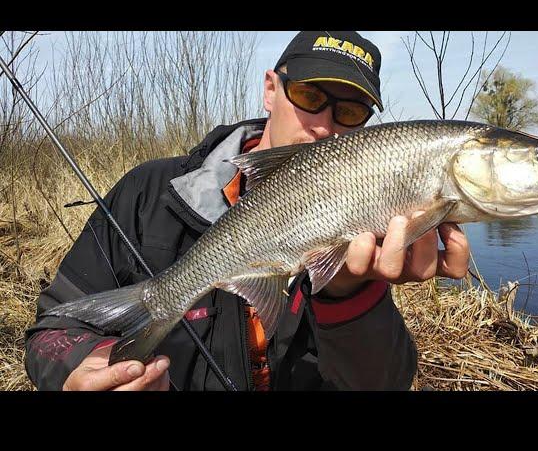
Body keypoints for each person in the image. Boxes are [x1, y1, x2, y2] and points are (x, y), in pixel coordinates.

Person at [25, 31, 470, 391]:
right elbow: (52, 330)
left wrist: (353, 294)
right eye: (309, 96)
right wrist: (82, 366)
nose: (323, 125)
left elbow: (385, 383)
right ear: (271, 90)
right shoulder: (148, 193)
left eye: (350, 111)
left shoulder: (369, 223)